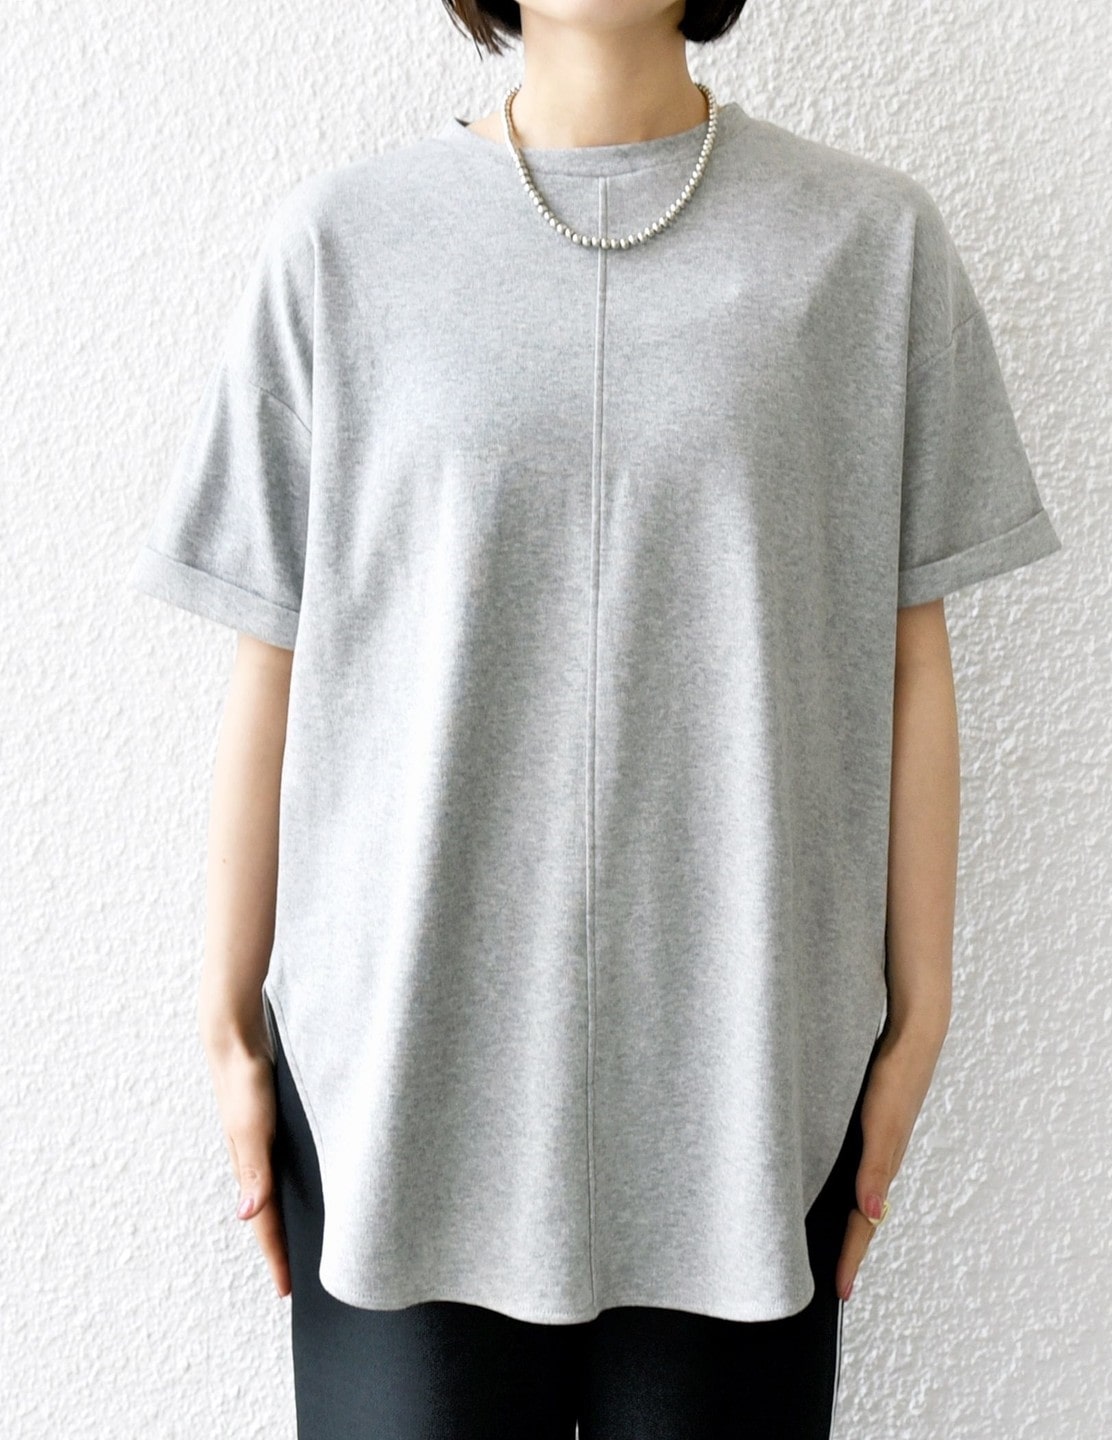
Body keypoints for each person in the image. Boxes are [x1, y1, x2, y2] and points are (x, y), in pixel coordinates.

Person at [128, 1, 1063, 1435]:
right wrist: (224, 1020)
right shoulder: (342, 245)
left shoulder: (868, 248)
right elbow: (277, 651)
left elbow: (908, 655)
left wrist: (919, 1015)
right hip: (402, 1073)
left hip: (747, 1071)